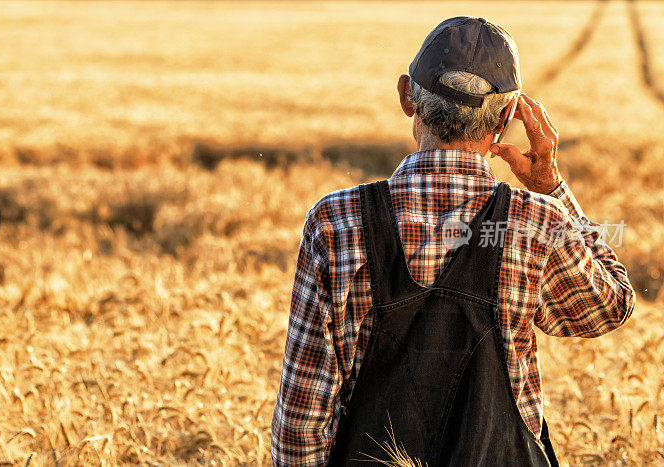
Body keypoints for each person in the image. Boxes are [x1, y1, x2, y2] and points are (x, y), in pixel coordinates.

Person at [271, 16, 635, 466]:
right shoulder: (534, 221)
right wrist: (551, 186)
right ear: (505, 119)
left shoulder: (334, 222)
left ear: (407, 95)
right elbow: (610, 307)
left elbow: (300, 423)